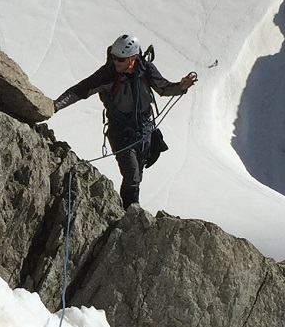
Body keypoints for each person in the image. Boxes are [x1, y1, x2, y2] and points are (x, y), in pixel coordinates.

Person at [53, 34, 196, 207]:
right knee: (132, 174)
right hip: (119, 130)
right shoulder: (108, 74)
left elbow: (163, 88)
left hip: (144, 129)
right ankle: (130, 211)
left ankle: (129, 210)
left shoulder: (146, 69)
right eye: (114, 58)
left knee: (138, 173)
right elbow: (80, 90)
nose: (115, 62)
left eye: (120, 59)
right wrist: (55, 105)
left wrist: (181, 87)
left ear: (132, 58)